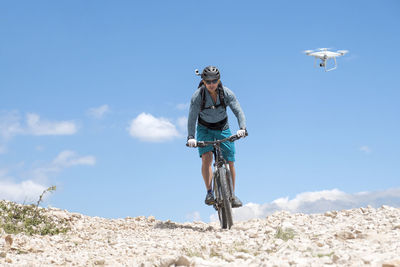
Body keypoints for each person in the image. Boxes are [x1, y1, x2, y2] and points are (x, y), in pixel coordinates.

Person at [187, 66, 247, 208]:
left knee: (230, 161)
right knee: (206, 158)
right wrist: (191, 136)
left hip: (222, 128)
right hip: (204, 129)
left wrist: (242, 128)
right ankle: (209, 192)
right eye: (208, 81)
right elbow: (192, 118)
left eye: (214, 81)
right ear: (203, 81)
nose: (211, 84)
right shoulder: (197, 96)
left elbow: (238, 111)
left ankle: (232, 195)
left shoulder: (226, 93)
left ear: (219, 80)